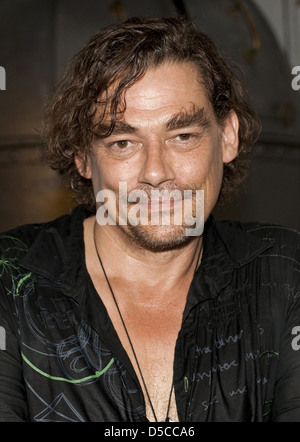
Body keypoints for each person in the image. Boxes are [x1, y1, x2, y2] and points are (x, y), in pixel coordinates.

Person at [0, 16, 299, 423]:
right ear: (83, 156)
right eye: (123, 142)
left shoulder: (283, 272)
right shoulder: (10, 281)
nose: (155, 172)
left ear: (227, 136)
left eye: (183, 136)